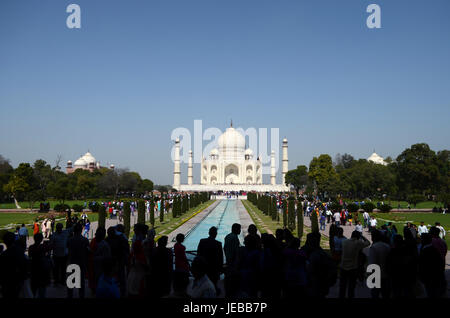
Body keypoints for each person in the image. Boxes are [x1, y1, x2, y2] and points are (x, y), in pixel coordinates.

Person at [339, 230, 370, 298]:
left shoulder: (344, 242)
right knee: (351, 287)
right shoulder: (358, 243)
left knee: (342, 286)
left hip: (343, 266)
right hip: (353, 267)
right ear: (358, 237)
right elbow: (368, 243)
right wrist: (363, 237)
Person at [0, 232, 28, 298]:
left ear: (4, 241)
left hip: (7, 284)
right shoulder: (19, 253)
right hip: (17, 283)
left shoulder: (3, 255)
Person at [418, 233, 446, 298]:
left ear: (424, 240)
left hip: (429, 275)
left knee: (430, 291)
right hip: (434, 274)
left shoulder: (425, 250)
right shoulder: (434, 249)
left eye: (422, 239)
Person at [197, 226, 223, 293]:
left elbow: (198, 254)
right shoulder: (218, 244)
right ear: (216, 234)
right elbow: (220, 258)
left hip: (204, 267)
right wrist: (220, 268)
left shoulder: (202, 241)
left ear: (209, 233)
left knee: (203, 284)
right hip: (214, 268)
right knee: (214, 284)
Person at [66, 223, 90, 298]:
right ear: (81, 230)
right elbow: (87, 252)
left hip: (72, 262)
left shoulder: (70, 240)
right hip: (81, 262)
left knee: (70, 284)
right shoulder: (85, 240)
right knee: (81, 283)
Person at [368, 230, 391, 298]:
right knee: (385, 294)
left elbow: (372, 263)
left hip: (376, 275)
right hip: (386, 273)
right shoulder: (387, 246)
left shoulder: (374, 247)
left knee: (375, 294)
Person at [28, 233, 52, 298]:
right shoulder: (43, 246)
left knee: (33, 290)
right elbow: (49, 250)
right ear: (41, 239)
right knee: (42, 292)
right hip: (42, 270)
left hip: (34, 269)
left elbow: (30, 256)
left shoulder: (31, 247)